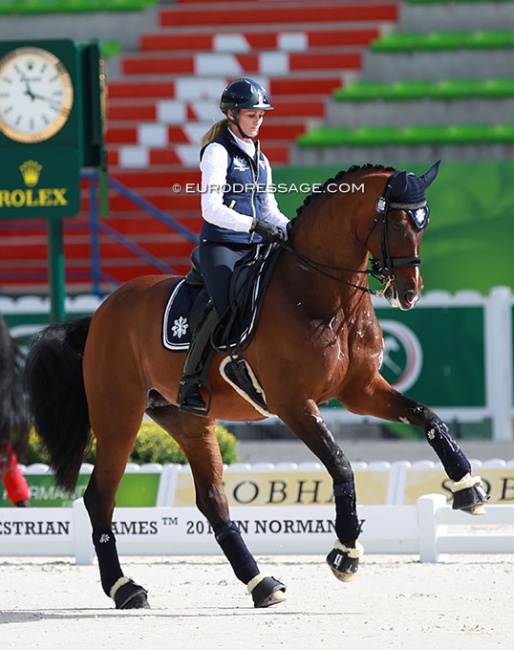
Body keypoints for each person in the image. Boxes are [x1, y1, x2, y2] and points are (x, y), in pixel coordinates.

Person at [177, 78, 290, 415]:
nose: (258, 120)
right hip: (222, 244)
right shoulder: (217, 152)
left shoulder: (261, 158)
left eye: (261, 115)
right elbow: (210, 208)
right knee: (226, 305)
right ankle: (188, 381)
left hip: (256, 244)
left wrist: (291, 230)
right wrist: (253, 224)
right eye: (252, 115)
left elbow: (268, 208)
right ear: (232, 114)